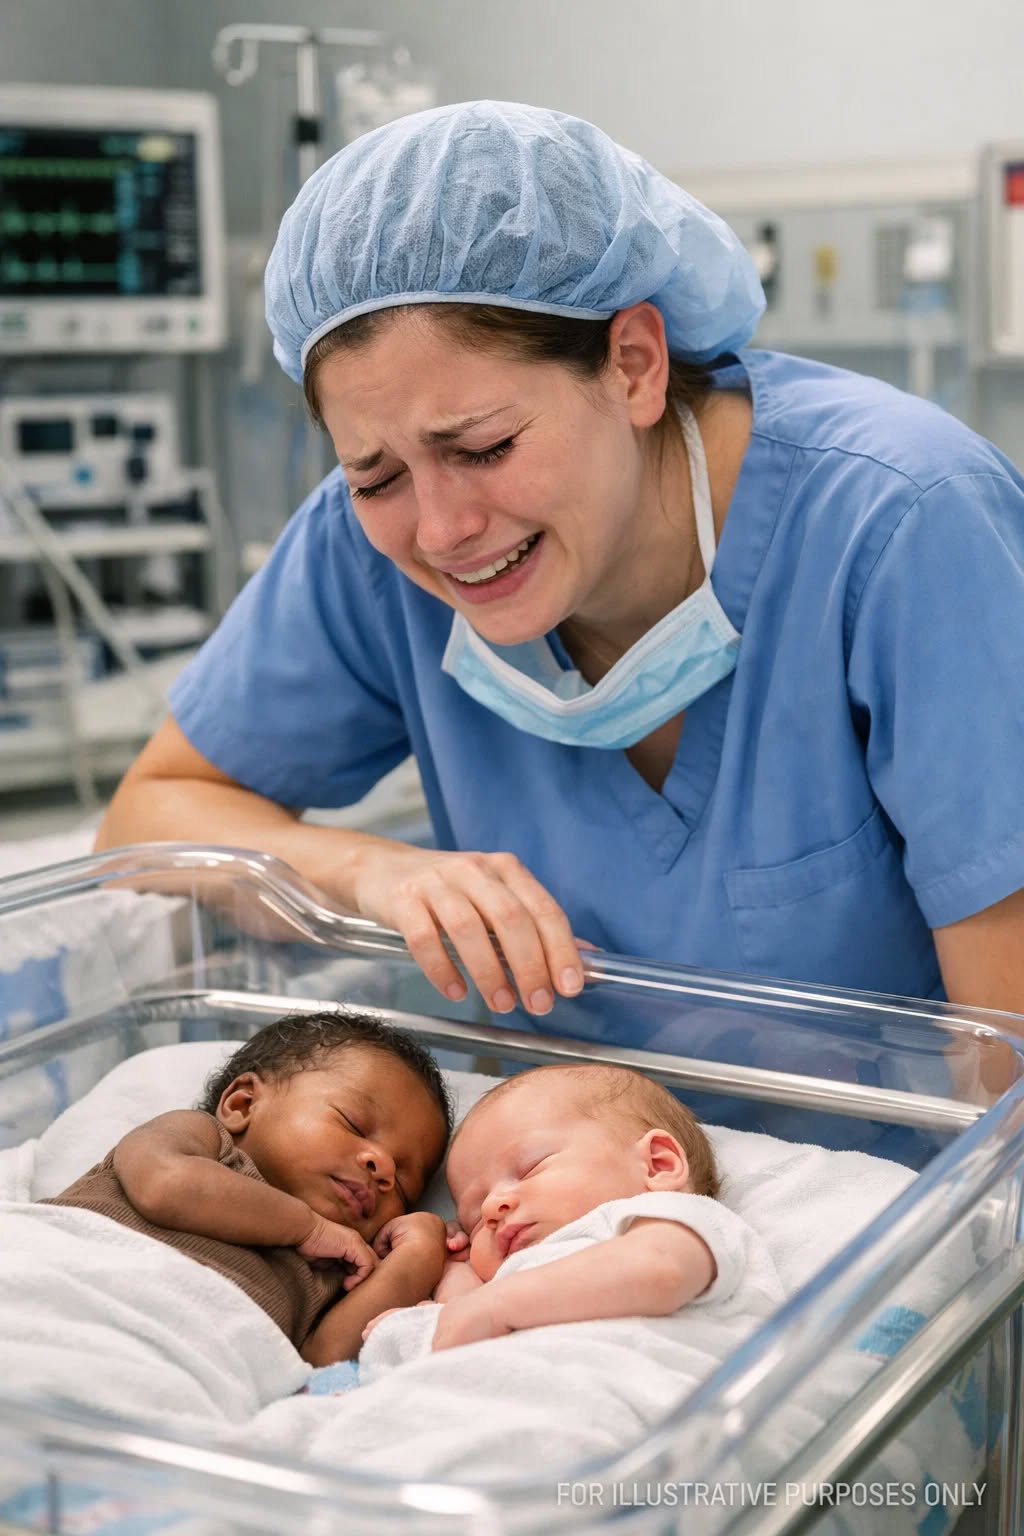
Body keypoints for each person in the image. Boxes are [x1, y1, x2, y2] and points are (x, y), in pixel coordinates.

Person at [96, 101, 1024, 1025]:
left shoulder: (905, 523)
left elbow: (1006, 1065)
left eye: (484, 447)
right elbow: (150, 817)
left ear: (634, 364)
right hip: (552, 1123)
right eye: (374, 474)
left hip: (886, 1129)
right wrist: (368, 869)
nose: (442, 530)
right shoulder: (366, 550)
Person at [41, 1010, 452, 1365]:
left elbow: (322, 1360)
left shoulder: (335, 1269)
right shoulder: (201, 1139)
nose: (382, 1167)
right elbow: (164, 1184)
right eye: (354, 1124)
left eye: (402, 1185)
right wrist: (307, 1228)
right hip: (56, 1282)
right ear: (242, 1104)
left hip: (167, 1366)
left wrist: (418, 1254)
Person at [361, 1061, 782, 1359]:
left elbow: (661, 1271)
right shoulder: (510, 1281)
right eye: (473, 1218)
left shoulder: (676, 1220)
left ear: (657, 1165)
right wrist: (449, 1278)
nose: (491, 1208)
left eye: (530, 1168)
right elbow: (465, 1330)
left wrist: (493, 1305)